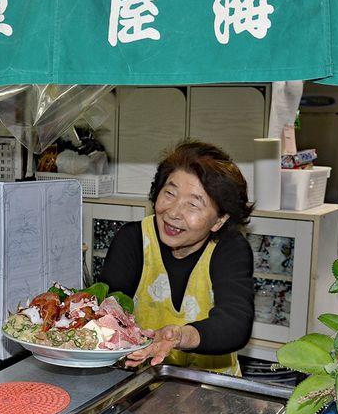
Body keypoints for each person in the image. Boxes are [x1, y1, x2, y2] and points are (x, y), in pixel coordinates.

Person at [98, 139, 254, 375]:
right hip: (139, 385)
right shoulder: (133, 240)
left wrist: (181, 336)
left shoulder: (229, 249)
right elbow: (107, 312)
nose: (173, 212)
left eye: (193, 204)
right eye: (170, 193)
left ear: (219, 220)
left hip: (210, 392)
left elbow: (235, 323)